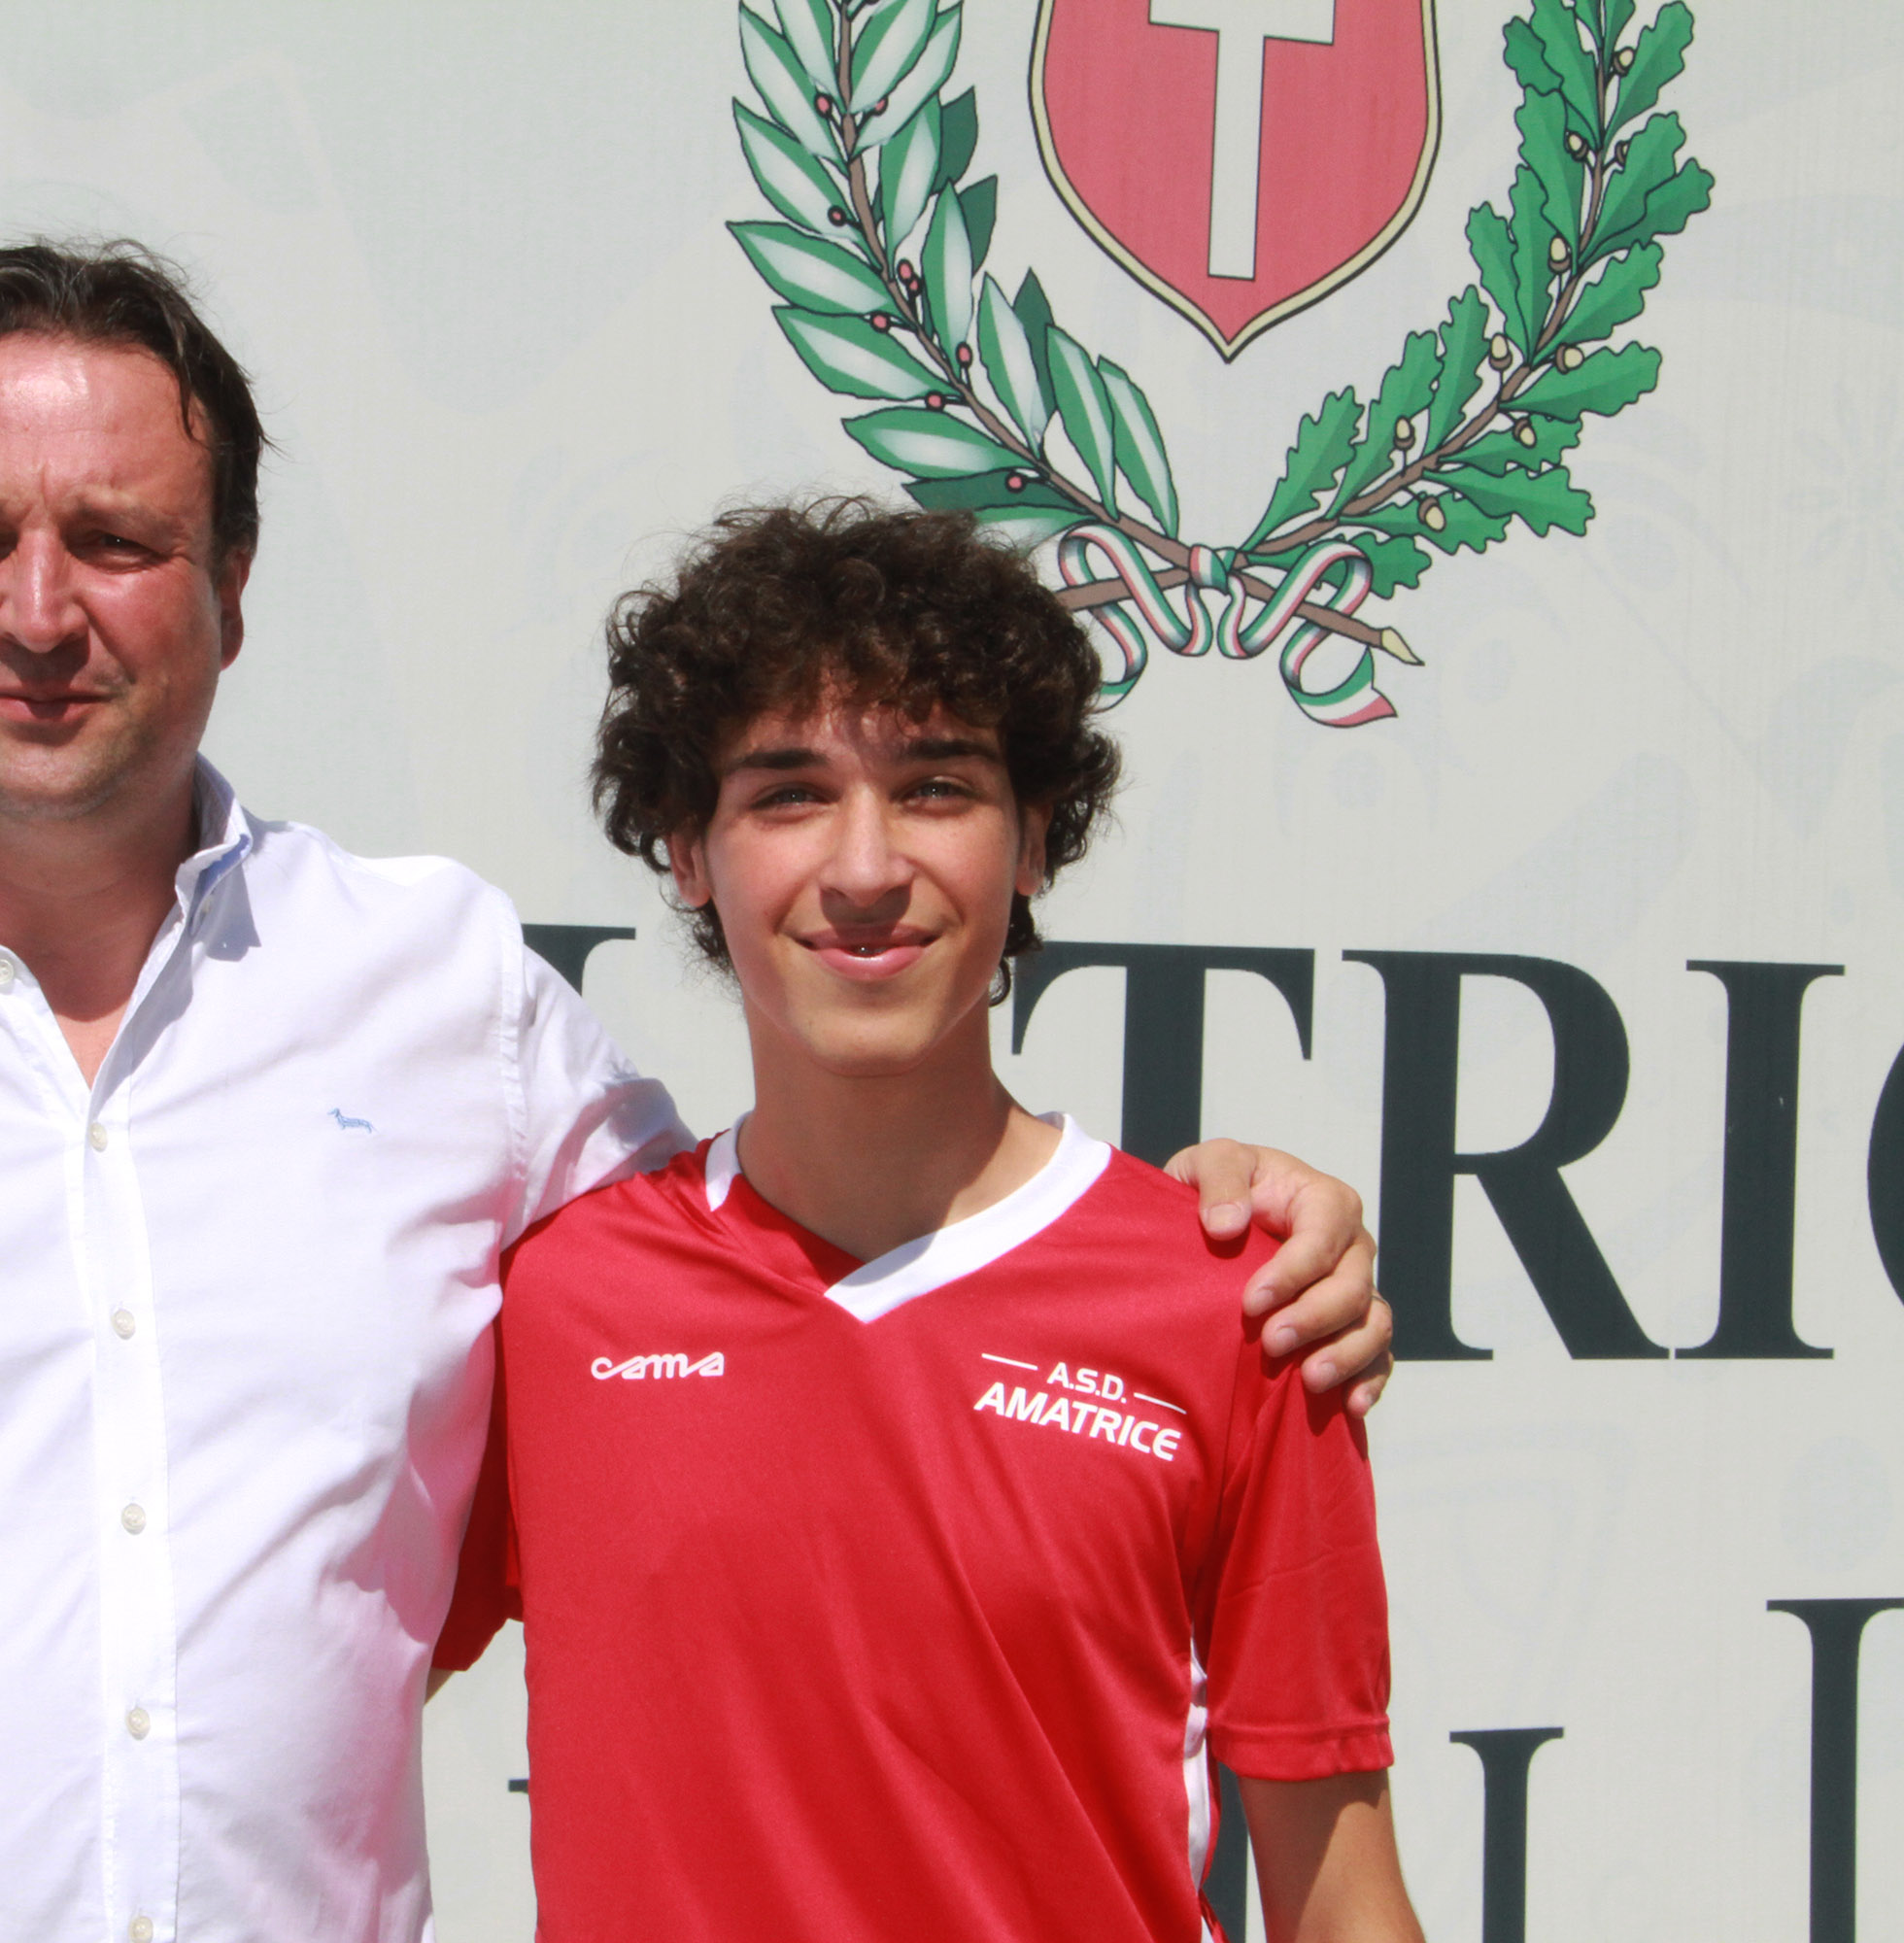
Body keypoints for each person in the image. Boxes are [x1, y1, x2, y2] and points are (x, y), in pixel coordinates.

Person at [0, 243, 1392, 1943]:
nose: (38, 607)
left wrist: (1239, 1226)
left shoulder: (440, 1003)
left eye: (118, 539)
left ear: (232, 589)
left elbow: (825, 1235)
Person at [436, 499, 1423, 1942]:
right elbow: (288, 1695)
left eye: (937, 787)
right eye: (788, 794)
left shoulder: (1245, 1307)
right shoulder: (560, 1302)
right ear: (688, 852)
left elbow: (1343, 1905)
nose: (864, 868)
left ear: (1034, 840)